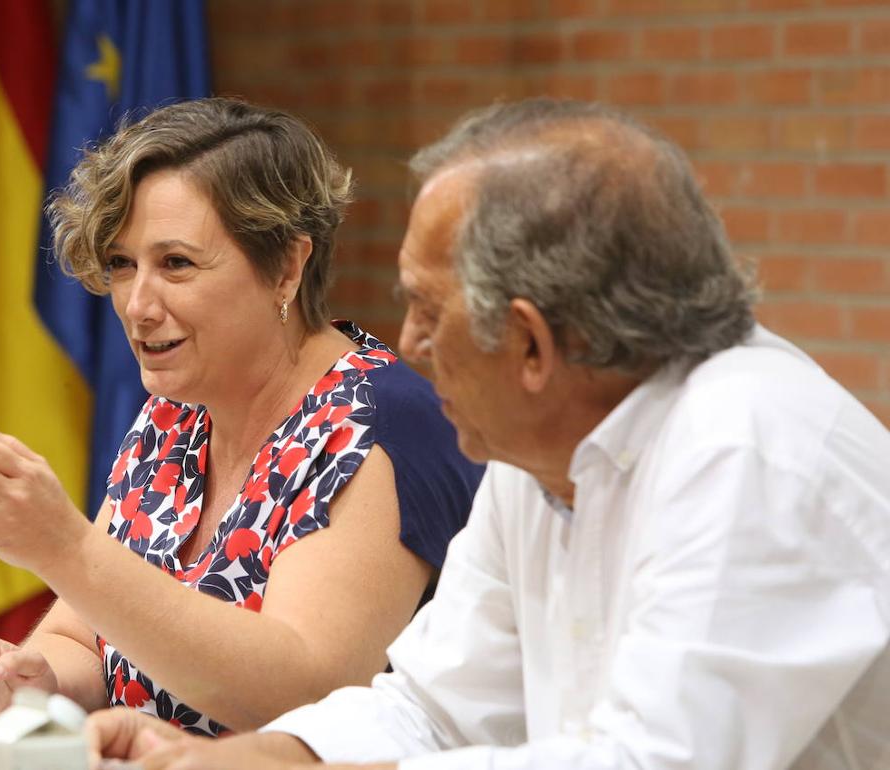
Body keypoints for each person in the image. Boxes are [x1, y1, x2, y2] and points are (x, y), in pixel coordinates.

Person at [83, 98, 890, 769]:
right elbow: (434, 706)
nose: (406, 344)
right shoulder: (534, 456)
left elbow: (649, 762)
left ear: (531, 345)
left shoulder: (746, 453)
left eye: (428, 309)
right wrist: (245, 759)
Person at [0, 98, 483, 735]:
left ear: (286, 269)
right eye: (121, 265)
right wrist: (33, 682)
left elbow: (305, 698)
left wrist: (65, 547)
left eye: (176, 264)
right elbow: (87, 641)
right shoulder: (172, 414)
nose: (137, 305)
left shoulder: (379, 423)